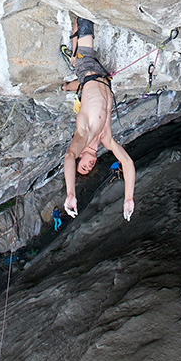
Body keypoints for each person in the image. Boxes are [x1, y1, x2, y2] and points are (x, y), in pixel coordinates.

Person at [61, 16, 135, 221]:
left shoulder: (83, 135)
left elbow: (68, 157)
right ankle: (67, 82)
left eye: (83, 166)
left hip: (87, 70)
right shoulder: (106, 138)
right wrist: (128, 198)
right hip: (103, 77)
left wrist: (71, 194)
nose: (89, 166)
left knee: (84, 20)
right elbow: (127, 162)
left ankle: (75, 32)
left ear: (80, 157)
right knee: (78, 65)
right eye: (89, 169)